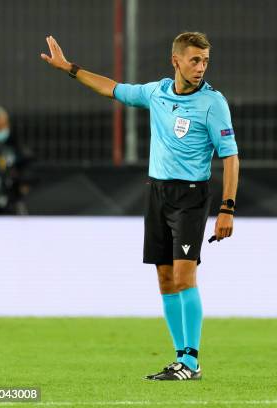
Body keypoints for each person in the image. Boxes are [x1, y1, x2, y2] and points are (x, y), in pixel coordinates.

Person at [41, 32, 239, 381]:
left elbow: (231, 157)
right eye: (195, 60)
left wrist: (228, 207)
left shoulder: (213, 103)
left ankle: (192, 361)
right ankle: (180, 357)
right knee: (164, 279)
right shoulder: (156, 92)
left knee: (183, 275)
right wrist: (68, 68)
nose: (201, 67)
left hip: (191, 196)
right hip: (157, 194)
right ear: (175, 60)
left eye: (205, 60)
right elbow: (111, 88)